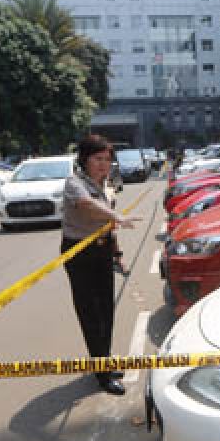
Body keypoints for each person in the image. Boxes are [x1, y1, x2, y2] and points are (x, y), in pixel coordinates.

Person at [61, 135, 140, 396]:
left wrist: (117, 253)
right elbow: (86, 205)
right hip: (80, 255)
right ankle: (102, 375)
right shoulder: (74, 183)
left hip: (103, 251)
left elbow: (107, 224)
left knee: (107, 310)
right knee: (91, 314)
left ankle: (104, 362)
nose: (103, 164)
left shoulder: (105, 184)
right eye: (98, 159)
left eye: (107, 159)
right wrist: (116, 215)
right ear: (85, 159)